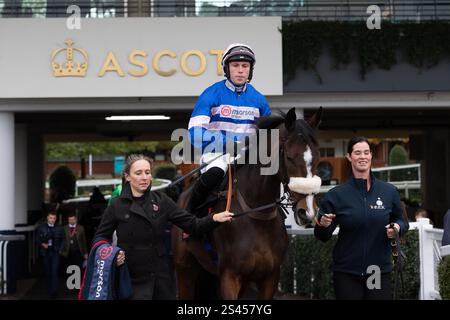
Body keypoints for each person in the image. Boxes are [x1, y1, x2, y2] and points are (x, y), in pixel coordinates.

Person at [93, 154, 233, 300]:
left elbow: (192, 225)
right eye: (138, 173)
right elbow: (100, 237)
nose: (144, 177)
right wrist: (111, 255)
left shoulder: (162, 201)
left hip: (161, 281)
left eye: (147, 172)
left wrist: (214, 218)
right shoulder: (116, 205)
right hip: (130, 280)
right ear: (127, 177)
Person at [314, 136, 408, 300]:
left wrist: (397, 228)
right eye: (357, 153)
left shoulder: (388, 191)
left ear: (371, 155)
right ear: (349, 157)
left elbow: (402, 220)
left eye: (366, 152)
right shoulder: (336, 195)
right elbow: (322, 235)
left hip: (376, 270)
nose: (362, 157)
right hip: (347, 273)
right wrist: (323, 224)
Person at [187, 43, 271, 214]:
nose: (240, 70)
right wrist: (227, 143)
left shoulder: (259, 100)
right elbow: (195, 133)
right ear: (227, 68)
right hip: (217, 154)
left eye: (245, 66)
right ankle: (191, 216)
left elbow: (269, 135)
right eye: (235, 65)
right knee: (216, 173)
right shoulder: (210, 94)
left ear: (250, 70)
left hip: (249, 158)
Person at [37, 211, 65, 298]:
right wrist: (42, 244)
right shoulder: (41, 227)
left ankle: (54, 291)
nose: (52, 220)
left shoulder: (60, 228)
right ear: (47, 218)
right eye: (50, 218)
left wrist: (60, 250)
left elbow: (63, 239)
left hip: (55, 252)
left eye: (54, 218)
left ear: (56, 219)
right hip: (45, 253)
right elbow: (37, 239)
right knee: (48, 272)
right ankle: (49, 289)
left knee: (54, 271)